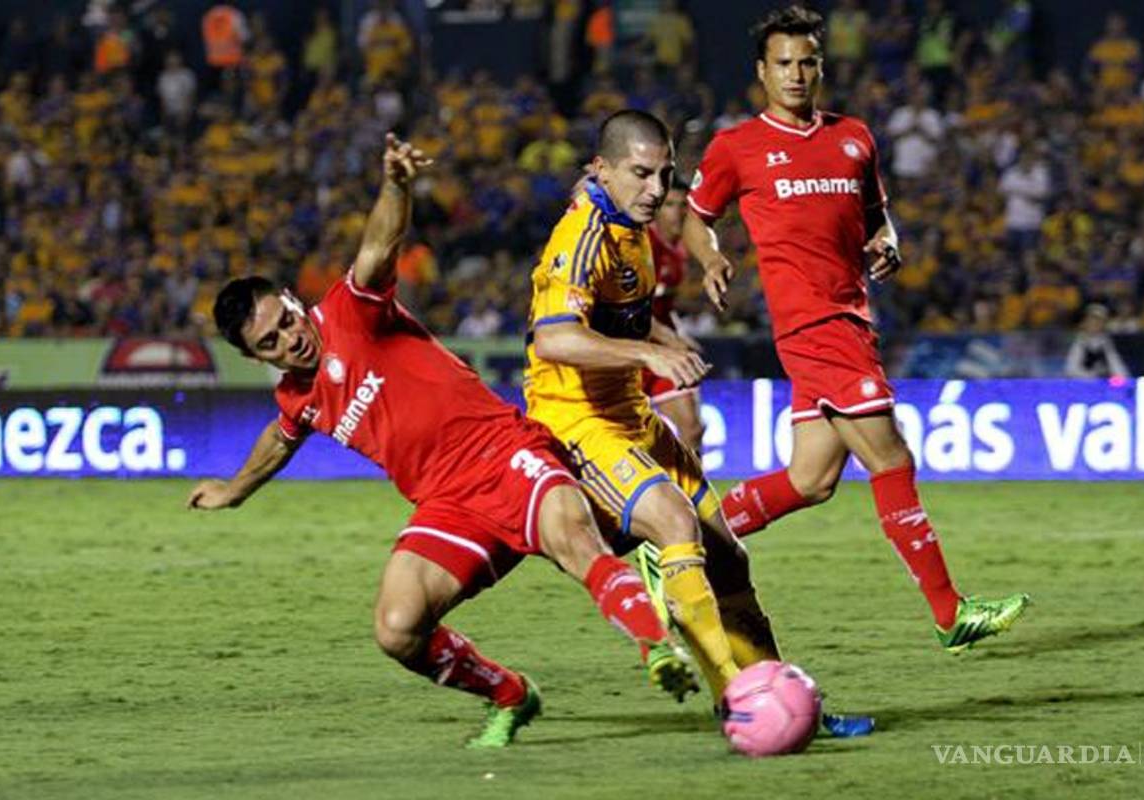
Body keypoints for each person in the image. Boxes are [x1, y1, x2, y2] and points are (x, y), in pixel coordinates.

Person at [187, 134, 688, 749]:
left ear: (294, 301)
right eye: (270, 342)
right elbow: (280, 436)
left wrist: (396, 185)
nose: (290, 339)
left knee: (574, 544)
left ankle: (657, 648)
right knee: (396, 628)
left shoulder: (348, 312)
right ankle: (511, 694)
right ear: (255, 357)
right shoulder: (299, 396)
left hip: (505, 455)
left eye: (286, 320)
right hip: (448, 507)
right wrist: (235, 489)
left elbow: (378, 246)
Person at [682, 7, 1030, 653]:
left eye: (807, 62)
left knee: (810, 479)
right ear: (762, 71)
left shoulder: (854, 138)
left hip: (851, 316)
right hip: (813, 324)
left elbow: (878, 215)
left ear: (821, 67)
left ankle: (679, 543)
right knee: (892, 460)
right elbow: (696, 216)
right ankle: (950, 613)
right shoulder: (737, 146)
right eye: (783, 63)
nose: (796, 74)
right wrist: (711, 259)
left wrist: (886, 241)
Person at [524, 109, 780, 706]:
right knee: (673, 522)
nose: (657, 189)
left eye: (664, 174)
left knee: (729, 557)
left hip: (633, 416)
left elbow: (622, 315)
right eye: (641, 174)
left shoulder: (628, 219)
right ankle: (739, 701)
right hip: (578, 422)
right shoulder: (584, 237)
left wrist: (663, 341)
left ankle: (779, 692)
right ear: (603, 169)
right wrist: (650, 352)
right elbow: (554, 339)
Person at [644, 180, 704, 453]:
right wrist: (673, 339)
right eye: (669, 205)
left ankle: (693, 483)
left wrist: (680, 334)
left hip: (661, 351)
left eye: (683, 205)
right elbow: (630, 309)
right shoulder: (643, 246)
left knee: (692, 429)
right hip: (629, 352)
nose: (677, 212)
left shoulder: (679, 251)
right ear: (656, 209)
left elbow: (662, 307)